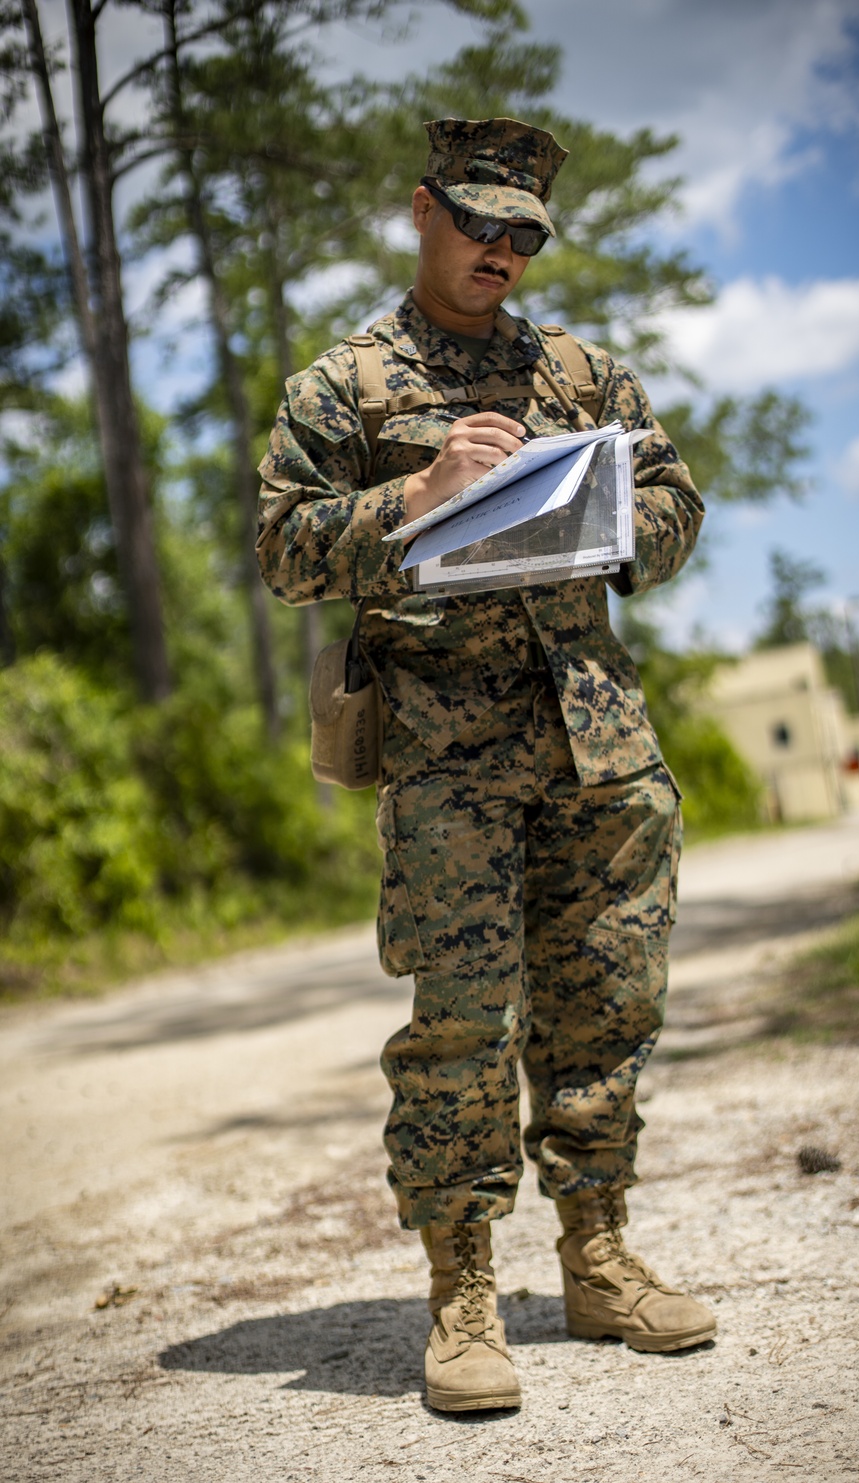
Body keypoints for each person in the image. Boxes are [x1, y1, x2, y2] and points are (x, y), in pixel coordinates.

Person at [257, 116, 715, 1413]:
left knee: (607, 1004)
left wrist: (615, 525)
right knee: (464, 1020)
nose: (502, 248)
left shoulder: (583, 374)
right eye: (480, 221)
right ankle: (463, 1294)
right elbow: (283, 549)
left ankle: (598, 1254)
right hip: (446, 751)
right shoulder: (344, 386)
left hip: (592, 737)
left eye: (526, 232)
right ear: (423, 212)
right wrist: (415, 495)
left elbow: (678, 501)